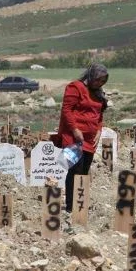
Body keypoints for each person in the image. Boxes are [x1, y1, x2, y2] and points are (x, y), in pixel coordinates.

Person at [57, 63, 108, 219]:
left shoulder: (98, 93)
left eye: (102, 81)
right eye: (97, 80)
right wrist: (74, 129)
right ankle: (72, 207)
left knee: (85, 170)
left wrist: (99, 130)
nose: (98, 83)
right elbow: (67, 110)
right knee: (75, 169)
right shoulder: (75, 87)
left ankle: (81, 203)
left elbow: (99, 115)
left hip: (90, 138)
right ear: (90, 75)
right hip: (74, 136)